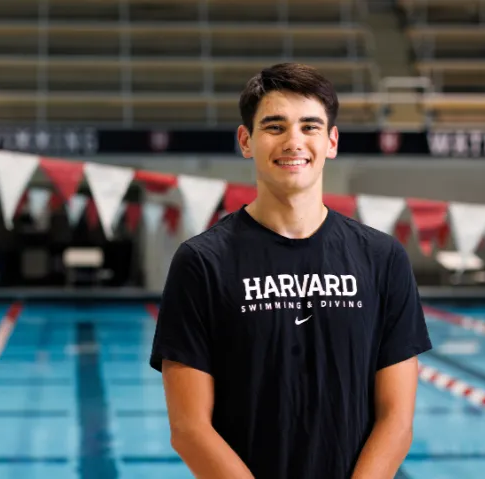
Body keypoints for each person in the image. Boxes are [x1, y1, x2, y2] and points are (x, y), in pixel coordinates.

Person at [149, 63, 433, 479]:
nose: (293, 141)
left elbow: (397, 419)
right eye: (275, 126)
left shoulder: (382, 258)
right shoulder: (202, 263)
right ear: (246, 140)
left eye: (310, 126)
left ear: (331, 141)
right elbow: (189, 429)